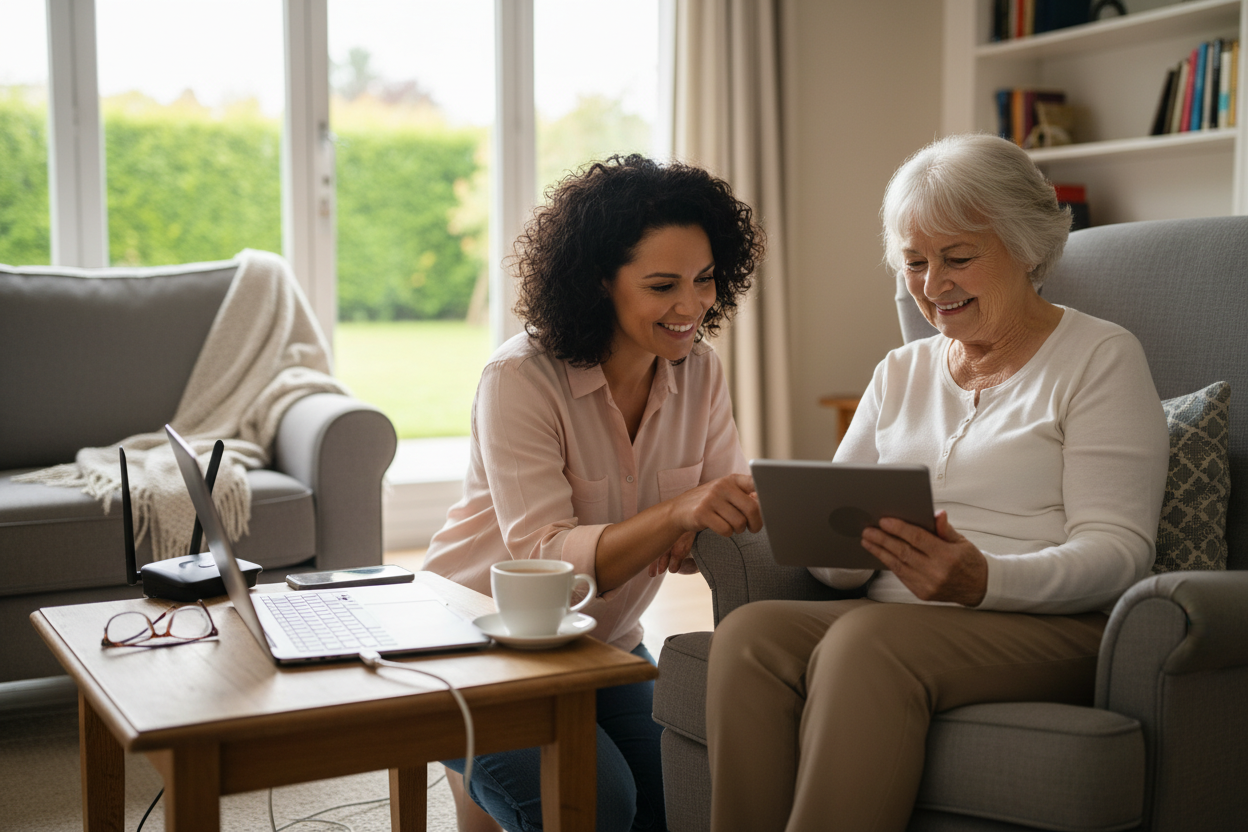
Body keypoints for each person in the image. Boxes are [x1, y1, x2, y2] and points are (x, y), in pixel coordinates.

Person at [704, 133, 1170, 832]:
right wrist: (821, 535)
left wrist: (984, 579)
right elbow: (838, 560)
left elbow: (1120, 552)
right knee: (750, 636)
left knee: (867, 644)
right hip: (898, 617)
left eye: (957, 257)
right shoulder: (901, 371)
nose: (932, 285)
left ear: (1025, 246)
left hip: (1051, 622)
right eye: (915, 263)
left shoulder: (1100, 357)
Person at [422, 153, 765, 832]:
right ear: (600, 281)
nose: (691, 305)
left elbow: (724, 512)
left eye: (704, 279)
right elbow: (545, 560)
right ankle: (471, 768)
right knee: (598, 805)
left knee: (683, 802)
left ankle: (483, 788)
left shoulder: (700, 372)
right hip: (472, 641)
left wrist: (701, 527)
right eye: (663, 285)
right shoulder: (520, 377)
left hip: (602, 642)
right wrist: (676, 514)